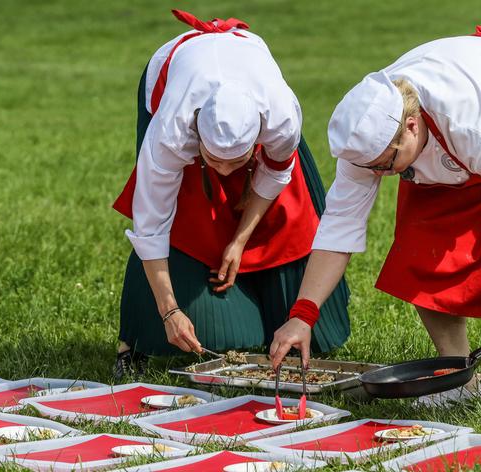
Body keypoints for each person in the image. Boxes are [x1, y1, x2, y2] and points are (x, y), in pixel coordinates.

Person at [269, 26, 481, 413]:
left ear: (411, 126)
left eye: (387, 166)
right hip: (451, 149)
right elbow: (340, 224)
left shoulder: (473, 119)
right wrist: (303, 315)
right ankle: (460, 378)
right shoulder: (368, 140)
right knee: (420, 249)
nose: (381, 175)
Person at [112, 10, 350, 378]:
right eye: (214, 161)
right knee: (219, 333)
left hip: (251, 97)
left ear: (258, 137)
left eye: (236, 162)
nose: (226, 173)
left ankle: (269, 293)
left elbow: (276, 173)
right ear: (196, 140)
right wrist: (170, 311)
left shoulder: (281, 116)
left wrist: (240, 240)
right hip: (175, 72)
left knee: (314, 337)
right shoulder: (171, 131)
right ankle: (133, 341)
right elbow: (151, 225)